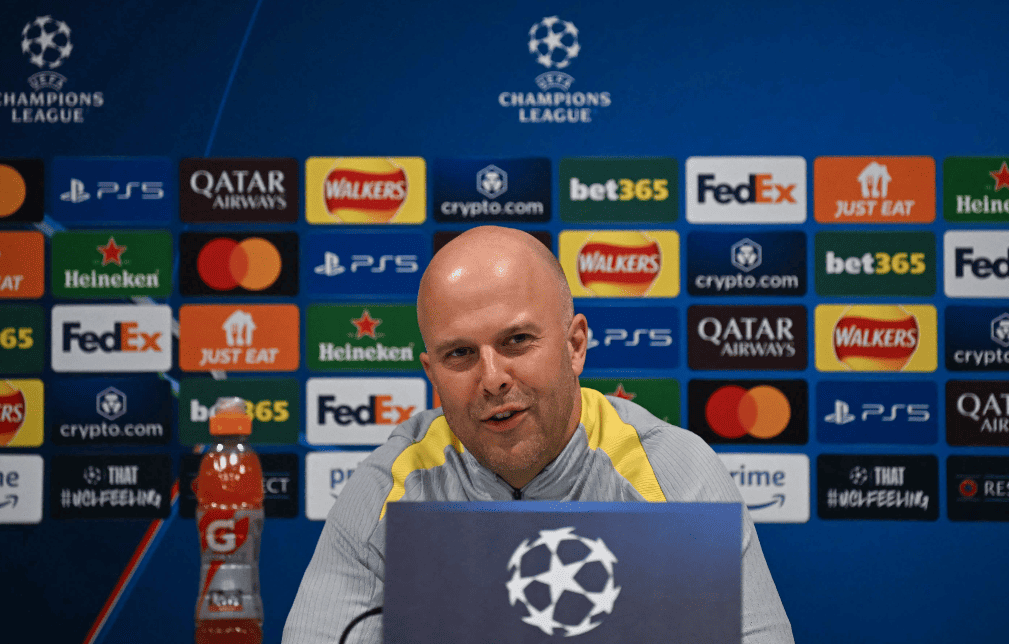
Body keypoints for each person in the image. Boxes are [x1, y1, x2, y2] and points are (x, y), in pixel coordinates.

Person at [283, 226, 796, 644]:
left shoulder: (674, 474)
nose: (492, 379)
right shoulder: (386, 489)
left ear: (575, 346)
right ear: (432, 372)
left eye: (517, 341)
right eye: (459, 354)